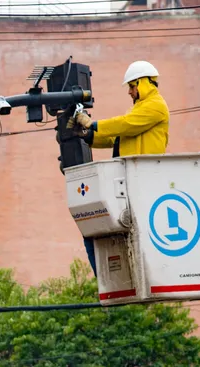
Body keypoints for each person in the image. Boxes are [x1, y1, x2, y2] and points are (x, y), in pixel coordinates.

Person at [65, 60, 170, 278]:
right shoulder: (139, 110)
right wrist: (87, 135)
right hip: (129, 181)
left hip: (142, 179)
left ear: (144, 83)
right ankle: (109, 278)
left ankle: (115, 277)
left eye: (132, 86)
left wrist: (91, 124)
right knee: (97, 230)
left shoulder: (156, 106)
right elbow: (116, 137)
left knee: (110, 228)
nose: (130, 92)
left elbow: (125, 124)